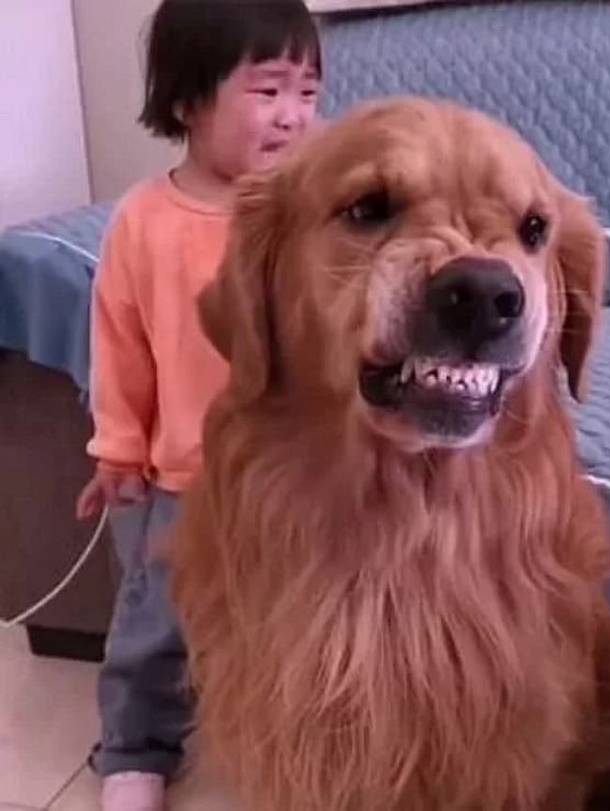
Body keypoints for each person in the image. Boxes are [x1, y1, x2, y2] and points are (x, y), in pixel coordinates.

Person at [76, 2, 322, 808]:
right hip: (182, 479)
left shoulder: (312, 217)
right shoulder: (143, 223)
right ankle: (134, 749)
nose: (293, 115)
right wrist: (119, 450)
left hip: (295, 482)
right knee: (155, 629)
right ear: (188, 101)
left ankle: (294, 743)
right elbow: (120, 347)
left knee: (298, 623)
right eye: (269, 90)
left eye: (308, 92)